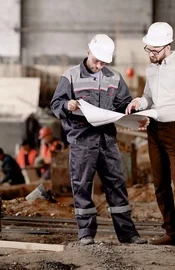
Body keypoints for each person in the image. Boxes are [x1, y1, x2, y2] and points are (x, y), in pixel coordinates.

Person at [50, 34, 147, 246]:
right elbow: (56, 103)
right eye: (97, 61)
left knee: (117, 185)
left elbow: (123, 103)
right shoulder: (71, 76)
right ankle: (86, 233)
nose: (100, 65)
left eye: (104, 62)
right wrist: (68, 105)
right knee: (82, 185)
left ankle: (127, 234)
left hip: (107, 141)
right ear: (88, 52)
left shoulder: (114, 77)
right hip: (82, 140)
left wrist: (133, 110)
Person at [125, 22, 175, 253]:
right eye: (148, 50)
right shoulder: (152, 69)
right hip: (155, 129)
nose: (150, 54)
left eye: (154, 51)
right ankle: (171, 232)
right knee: (160, 184)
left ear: (168, 46)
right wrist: (139, 102)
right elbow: (149, 97)